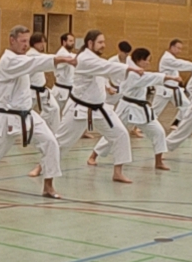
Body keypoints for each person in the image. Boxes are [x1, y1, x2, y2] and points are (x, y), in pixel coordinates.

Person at [0, 24, 68, 199]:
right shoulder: (9, 60)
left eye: (27, 41)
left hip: (27, 114)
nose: (26, 45)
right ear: (12, 40)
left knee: (50, 142)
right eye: (22, 41)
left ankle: (48, 186)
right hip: (7, 117)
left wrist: (61, 59)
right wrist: (60, 59)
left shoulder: (21, 59)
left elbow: (35, 62)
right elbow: (34, 62)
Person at [49, 30, 134, 182]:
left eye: (104, 42)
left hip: (100, 109)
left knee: (121, 134)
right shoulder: (85, 59)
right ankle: (42, 167)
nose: (104, 45)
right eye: (100, 42)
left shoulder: (95, 59)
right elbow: (106, 67)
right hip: (79, 108)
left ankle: (118, 172)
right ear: (90, 43)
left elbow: (102, 73)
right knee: (62, 142)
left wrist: (108, 86)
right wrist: (129, 69)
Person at [94, 47, 173, 171]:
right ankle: (93, 156)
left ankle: (158, 161)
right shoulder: (132, 74)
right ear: (140, 60)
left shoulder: (137, 71)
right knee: (114, 132)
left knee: (159, 132)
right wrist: (167, 77)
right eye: (147, 60)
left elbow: (148, 77)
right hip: (127, 108)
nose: (148, 63)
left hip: (142, 109)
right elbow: (148, 78)